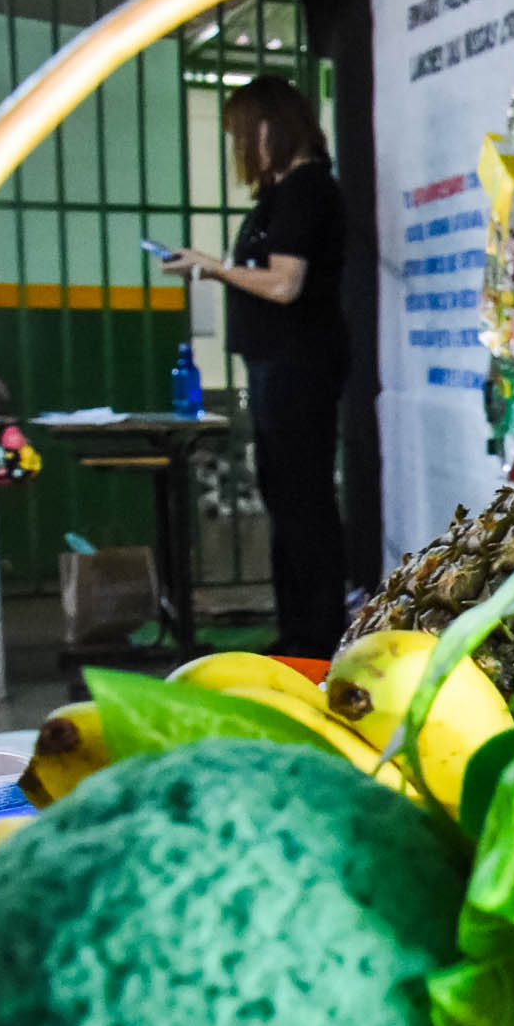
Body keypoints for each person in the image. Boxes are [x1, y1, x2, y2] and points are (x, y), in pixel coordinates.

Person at [156, 77, 351, 659]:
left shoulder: (306, 191)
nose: (242, 146)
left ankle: (315, 636)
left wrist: (213, 269)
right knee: (287, 498)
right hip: (277, 366)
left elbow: (284, 283)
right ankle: (299, 631)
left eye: (243, 133)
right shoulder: (281, 194)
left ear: (270, 127)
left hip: (299, 366)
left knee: (303, 500)